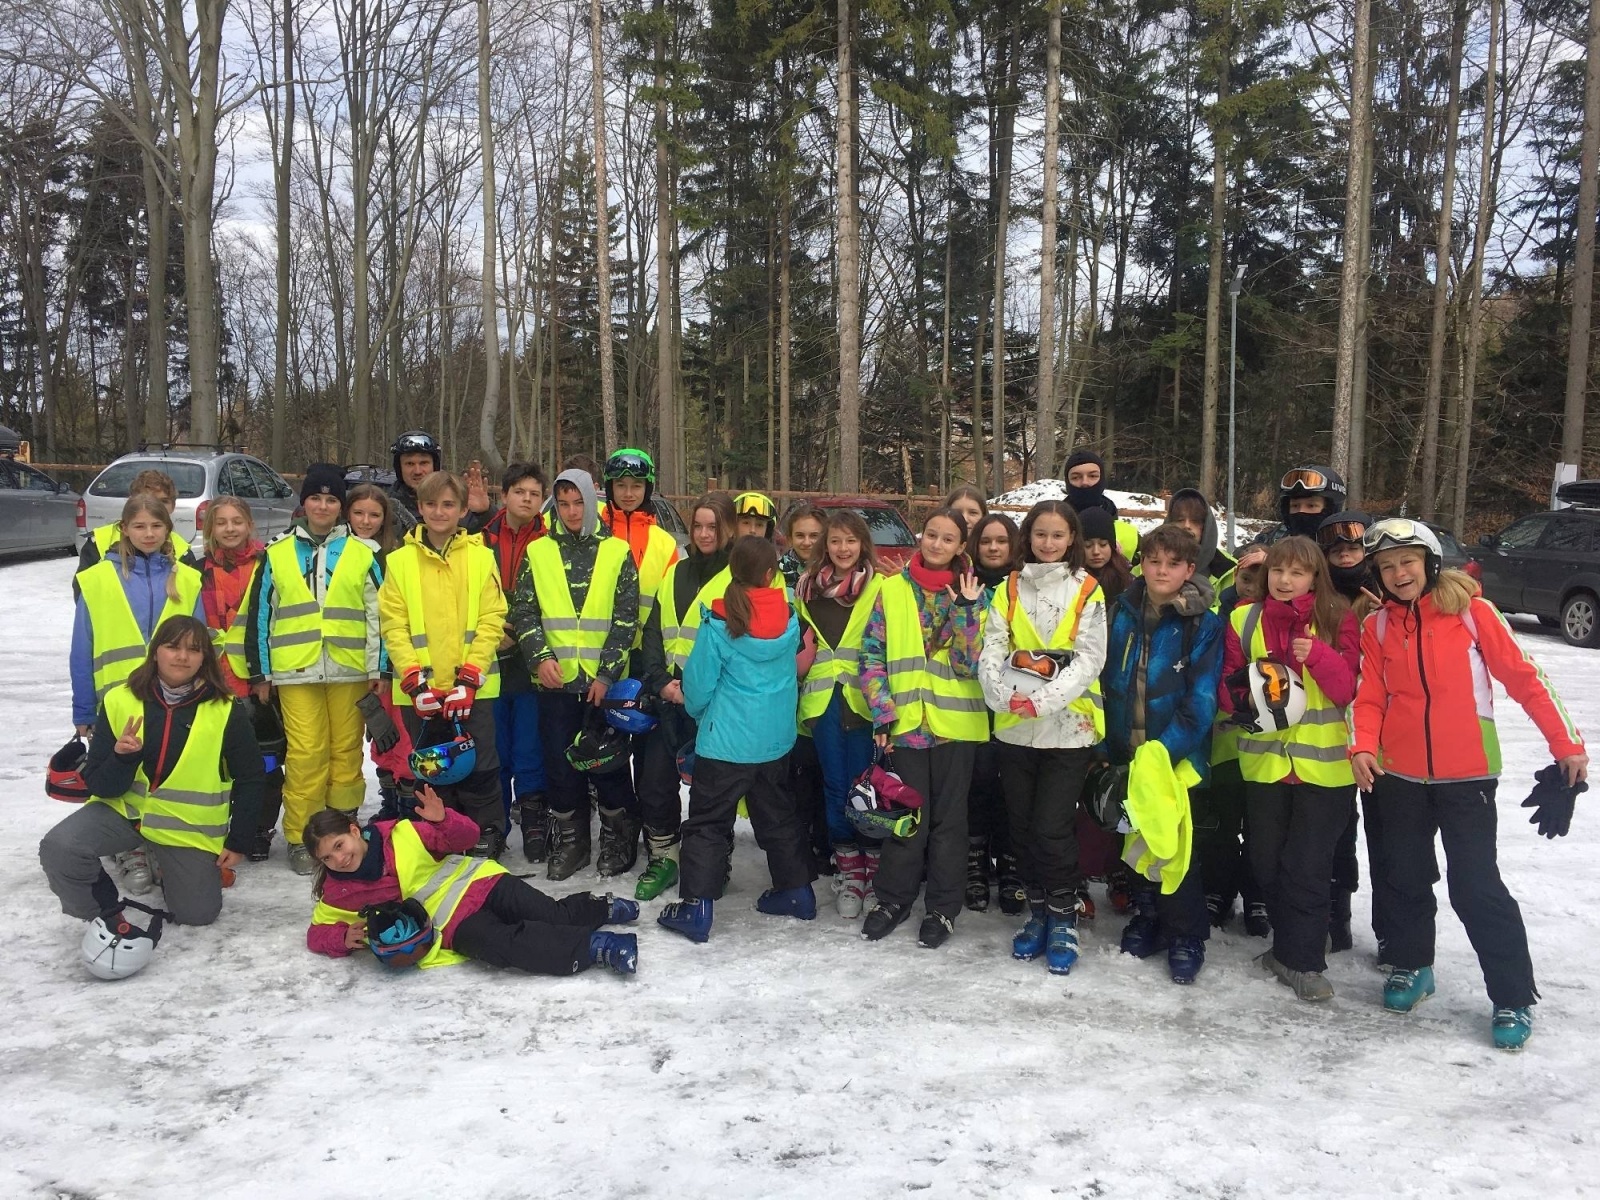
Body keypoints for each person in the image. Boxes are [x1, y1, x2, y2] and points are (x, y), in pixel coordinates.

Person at [1352, 519, 1587, 1051]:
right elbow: (1370, 696)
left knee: (1476, 886)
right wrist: (1362, 745)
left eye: (1407, 562)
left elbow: (1527, 679)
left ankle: (1512, 995)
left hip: (1468, 775)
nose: (1398, 573)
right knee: (1405, 876)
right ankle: (1413, 967)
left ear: (1430, 563)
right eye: (1387, 567)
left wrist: (1566, 745)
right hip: (1399, 773)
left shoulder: (1473, 614)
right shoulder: (1378, 628)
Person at [41, 616, 263, 941]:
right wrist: (121, 757)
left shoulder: (226, 709)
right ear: (155, 651)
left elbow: (252, 778)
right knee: (60, 847)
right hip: (124, 813)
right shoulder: (119, 700)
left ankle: (163, 862)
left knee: (198, 915)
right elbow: (100, 786)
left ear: (205, 658)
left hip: (184, 826)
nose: (182, 657)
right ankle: (100, 914)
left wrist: (239, 840)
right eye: (172, 646)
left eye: (194, 649)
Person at [1220, 535, 1359, 1003]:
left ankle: (1304, 963)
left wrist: (1316, 655)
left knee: (1308, 866)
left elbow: (1348, 692)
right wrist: (1246, 699)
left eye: (1297, 572)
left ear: (1315, 577)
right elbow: (1228, 682)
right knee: (1265, 862)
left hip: (1325, 770)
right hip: (1266, 766)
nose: (1284, 580)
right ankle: (1291, 945)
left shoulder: (1339, 618)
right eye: (1278, 570)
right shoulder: (1244, 617)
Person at [657, 537, 817, 942]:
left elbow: (699, 683)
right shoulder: (789, 616)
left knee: (708, 824)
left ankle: (696, 908)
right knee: (778, 815)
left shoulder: (719, 622)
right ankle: (797, 892)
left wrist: (696, 712)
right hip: (774, 742)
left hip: (725, 744)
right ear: (770, 575)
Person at [303, 787, 640, 976]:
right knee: (510, 945)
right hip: (452, 925)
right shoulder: (338, 890)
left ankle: (600, 906)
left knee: (549, 914)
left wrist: (444, 819)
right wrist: (340, 936)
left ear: (352, 831)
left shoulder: (402, 834)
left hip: (480, 883)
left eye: (339, 846)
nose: (339, 859)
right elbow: (316, 933)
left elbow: (468, 836)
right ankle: (599, 947)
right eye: (327, 858)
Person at [978, 501, 1106, 975]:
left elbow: (1091, 659)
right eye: (1039, 535)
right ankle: (1037, 912)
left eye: (1057, 535)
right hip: (1014, 726)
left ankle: (1063, 915)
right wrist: (997, 692)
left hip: (1068, 729)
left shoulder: (1087, 589)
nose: (1048, 543)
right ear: (1027, 538)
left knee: (1053, 827)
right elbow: (993, 645)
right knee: (1023, 827)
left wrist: (1044, 700)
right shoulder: (1009, 587)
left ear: (1071, 538)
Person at [243, 464, 383, 876]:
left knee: (345, 753)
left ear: (342, 507)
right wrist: (260, 673)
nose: (323, 506)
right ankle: (302, 835)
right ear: (303, 503)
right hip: (296, 671)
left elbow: (379, 615)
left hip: (350, 669)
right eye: (316, 498)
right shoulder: (277, 551)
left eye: (332, 499)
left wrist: (380, 668)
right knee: (306, 755)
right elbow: (260, 618)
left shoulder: (364, 552)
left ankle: (342, 829)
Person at [858, 507, 986, 949]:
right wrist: (882, 710)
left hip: (954, 727)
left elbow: (971, 665)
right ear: (921, 535)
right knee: (906, 819)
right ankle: (893, 899)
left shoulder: (973, 593)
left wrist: (966, 611)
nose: (936, 544)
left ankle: (943, 908)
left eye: (947, 539)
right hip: (907, 724)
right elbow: (871, 654)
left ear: (960, 547)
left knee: (950, 824)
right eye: (931, 534)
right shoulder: (891, 590)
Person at [1101, 524, 1222, 985]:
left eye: (1173, 564)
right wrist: (1105, 747)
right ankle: (1147, 915)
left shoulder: (1202, 625)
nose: (1162, 570)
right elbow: (1101, 677)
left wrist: (1164, 752)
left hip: (1174, 757)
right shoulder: (1119, 613)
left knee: (1175, 846)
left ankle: (1186, 932)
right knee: (1133, 837)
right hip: (1124, 749)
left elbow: (1203, 700)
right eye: (1154, 561)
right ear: (1141, 563)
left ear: (1190, 569)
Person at [512, 468, 640, 879]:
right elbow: (525, 610)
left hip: (604, 684)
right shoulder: (538, 551)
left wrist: (606, 674)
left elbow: (625, 617)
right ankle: (573, 841)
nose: (570, 511)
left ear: (592, 502)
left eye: (578, 502)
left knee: (609, 763)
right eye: (563, 503)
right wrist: (538, 658)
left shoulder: (617, 551)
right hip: (556, 681)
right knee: (560, 765)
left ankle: (619, 837)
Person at [380, 470, 508, 856]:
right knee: (431, 768)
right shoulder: (399, 562)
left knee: (480, 764)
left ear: (463, 509)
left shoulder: (481, 557)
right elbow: (393, 625)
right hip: (421, 691)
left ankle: (486, 832)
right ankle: (441, 835)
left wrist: (469, 680)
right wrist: (415, 683)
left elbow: (491, 618)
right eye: (432, 504)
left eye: (448, 504)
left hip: (474, 686)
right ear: (419, 508)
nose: (439, 512)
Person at [631, 493, 738, 900]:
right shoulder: (675, 572)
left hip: (712, 700)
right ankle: (664, 856)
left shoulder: (736, 579)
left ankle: (713, 855)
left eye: (713, 526)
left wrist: (696, 690)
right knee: (656, 782)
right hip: (668, 694)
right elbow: (654, 631)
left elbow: (738, 644)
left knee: (710, 787)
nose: (705, 534)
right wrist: (659, 681)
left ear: (727, 529)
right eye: (699, 526)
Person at [794, 508, 885, 918]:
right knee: (835, 787)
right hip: (822, 702)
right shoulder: (805, 589)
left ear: (862, 543)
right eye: (835, 541)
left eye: (850, 540)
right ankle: (849, 871)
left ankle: (875, 870)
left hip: (867, 701)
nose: (843, 548)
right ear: (823, 546)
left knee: (870, 788)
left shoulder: (882, 588)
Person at [197, 497, 283, 863]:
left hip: (260, 678)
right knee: (219, 762)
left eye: (237, 521)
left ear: (249, 525)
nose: (230, 529)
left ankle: (260, 828)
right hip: (214, 680)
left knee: (265, 760)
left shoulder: (270, 563)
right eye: (222, 523)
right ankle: (221, 826)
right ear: (210, 529)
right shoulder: (197, 569)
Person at [480, 463, 550, 860]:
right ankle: (495, 823)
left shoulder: (550, 538)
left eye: (534, 493)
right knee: (495, 745)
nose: (526, 499)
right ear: (504, 494)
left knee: (529, 745)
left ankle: (535, 819)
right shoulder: (479, 536)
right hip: (490, 651)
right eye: (519, 491)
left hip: (533, 653)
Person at [1316, 510, 1378, 953]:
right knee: (1337, 827)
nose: (1346, 558)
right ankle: (1332, 912)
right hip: (1335, 730)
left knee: (1384, 832)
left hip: (1384, 725)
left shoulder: (1380, 591)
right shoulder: (1319, 594)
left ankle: (1372, 920)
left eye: (1353, 549)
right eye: (1337, 552)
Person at [1199, 545, 1269, 936]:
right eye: (1247, 577)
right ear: (1234, 579)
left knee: (1261, 828)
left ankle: (1257, 894)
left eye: (1263, 578)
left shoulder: (1280, 618)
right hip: (1224, 742)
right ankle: (1218, 891)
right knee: (1222, 825)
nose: (1254, 586)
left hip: (1267, 746)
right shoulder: (1218, 619)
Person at [345, 483, 417, 823]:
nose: (365, 520)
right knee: (375, 731)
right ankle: (387, 791)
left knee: (395, 731)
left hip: (389, 660)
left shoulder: (394, 555)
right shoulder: (339, 552)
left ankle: (403, 799)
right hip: (347, 658)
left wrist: (388, 664)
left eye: (374, 514)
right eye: (358, 513)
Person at [1075, 504, 1134, 914]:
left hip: (1115, 699)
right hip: (1076, 698)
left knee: (1113, 788)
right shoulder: (1070, 583)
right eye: (1088, 543)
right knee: (1076, 790)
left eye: (1103, 544)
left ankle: (1118, 869)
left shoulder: (1128, 589)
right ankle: (1077, 873)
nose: (1096, 551)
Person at [965, 512, 1022, 913]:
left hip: (1019, 699)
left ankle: (1013, 864)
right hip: (972, 701)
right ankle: (974, 865)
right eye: (986, 541)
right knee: (977, 785)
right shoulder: (964, 583)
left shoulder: (1025, 585)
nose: (994, 548)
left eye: (1001, 541)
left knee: (1012, 789)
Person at [75, 468, 194, 585]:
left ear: (173, 506)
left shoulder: (182, 550)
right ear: (131, 503)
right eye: (147, 499)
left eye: (163, 501)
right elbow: (84, 591)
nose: (155, 506)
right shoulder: (100, 541)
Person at [386, 430, 492, 536]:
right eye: (410, 464)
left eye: (424, 463)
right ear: (399, 468)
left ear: (434, 466)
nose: (417, 471)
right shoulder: (386, 507)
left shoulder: (456, 498)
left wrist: (485, 513)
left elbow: (494, 540)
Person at [1061, 449, 1138, 560]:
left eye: (1092, 476)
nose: (1085, 482)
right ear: (1067, 482)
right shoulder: (1052, 528)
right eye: (1076, 477)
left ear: (1102, 479)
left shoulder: (1129, 534)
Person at [1166, 488, 1237, 599]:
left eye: (1195, 521)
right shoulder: (1149, 562)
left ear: (1206, 526)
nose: (1187, 526)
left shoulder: (1231, 569)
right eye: (1180, 520)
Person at [1253, 465, 1347, 545]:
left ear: (1331, 509)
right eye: (1295, 506)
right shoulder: (1276, 537)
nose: (1301, 511)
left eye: (1311, 506)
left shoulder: (1345, 546)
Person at [778, 503, 825, 591]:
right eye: (800, 535)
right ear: (790, 539)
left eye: (814, 535)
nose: (806, 542)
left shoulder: (836, 572)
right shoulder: (774, 573)